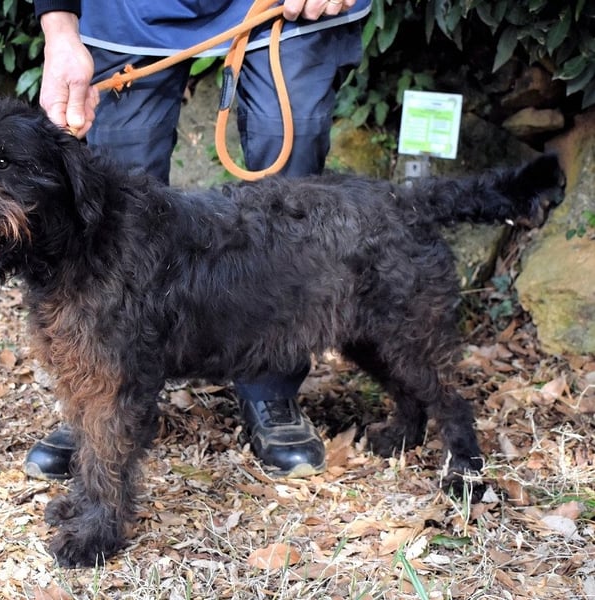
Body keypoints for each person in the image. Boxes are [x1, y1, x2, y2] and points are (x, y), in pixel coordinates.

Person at [25, 0, 371, 480]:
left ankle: (271, 387)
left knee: (289, 200)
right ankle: (105, 400)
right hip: (127, 15)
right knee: (114, 212)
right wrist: (60, 31)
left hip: (281, 12)